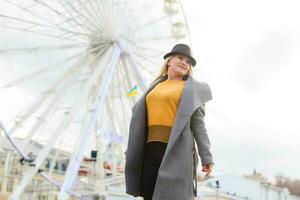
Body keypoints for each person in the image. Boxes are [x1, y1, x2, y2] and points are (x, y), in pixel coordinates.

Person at [125, 43, 214, 200]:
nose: (184, 63)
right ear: (169, 61)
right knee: (148, 194)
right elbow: (140, 119)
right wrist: (132, 147)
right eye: (180, 58)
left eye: (188, 62)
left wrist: (206, 156)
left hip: (177, 152)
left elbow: (199, 126)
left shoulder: (193, 90)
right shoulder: (155, 86)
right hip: (149, 151)